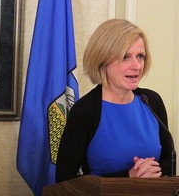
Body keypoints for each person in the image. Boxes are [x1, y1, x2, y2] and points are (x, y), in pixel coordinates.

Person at [56, 19, 173, 182]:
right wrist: (128, 177)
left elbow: (169, 161)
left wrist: (153, 170)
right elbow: (65, 180)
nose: (137, 66)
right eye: (125, 57)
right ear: (103, 60)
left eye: (140, 56)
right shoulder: (85, 111)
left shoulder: (152, 101)